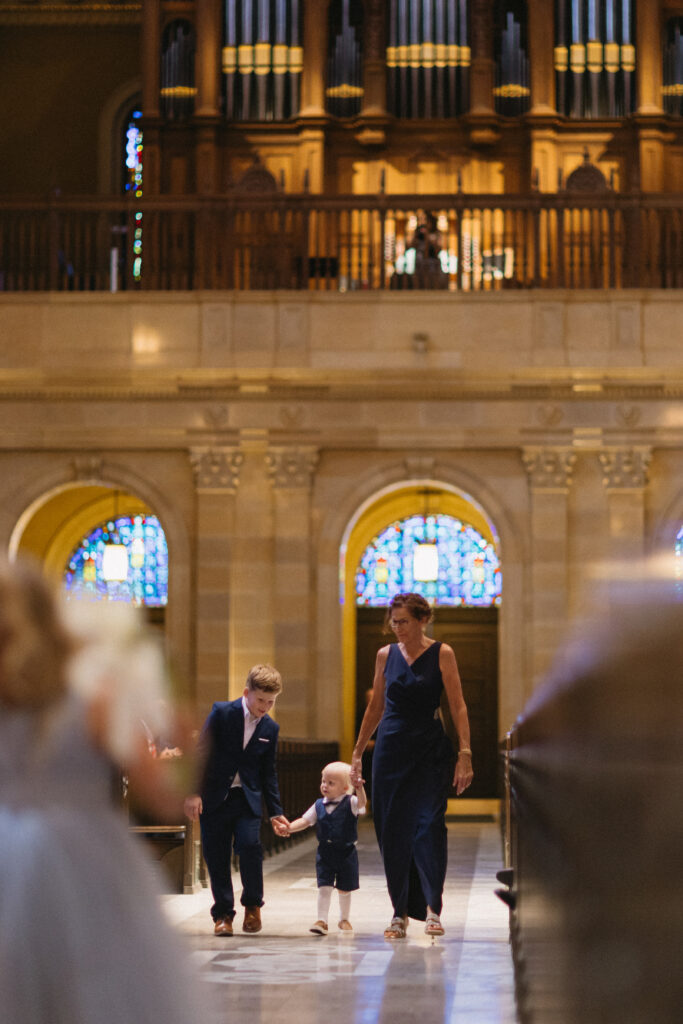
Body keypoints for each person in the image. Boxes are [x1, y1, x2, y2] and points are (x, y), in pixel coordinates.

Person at [0, 558, 208, 1024]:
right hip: (81, 858)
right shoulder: (96, 696)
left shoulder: (95, 696)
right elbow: (166, 798)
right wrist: (182, 735)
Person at [350, 592, 473, 939]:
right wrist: (357, 753)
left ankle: (433, 909)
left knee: (429, 826)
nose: (397, 628)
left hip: (430, 749)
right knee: (393, 829)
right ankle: (399, 912)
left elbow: (458, 705)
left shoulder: (442, 653)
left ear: (423, 620)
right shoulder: (384, 655)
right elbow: (375, 707)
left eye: (403, 622)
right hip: (391, 749)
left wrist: (465, 753)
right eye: (393, 623)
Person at [184, 664, 289, 936]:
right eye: (261, 700)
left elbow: (269, 773)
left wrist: (275, 811)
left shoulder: (270, 728)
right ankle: (223, 914)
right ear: (246, 693)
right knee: (216, 854)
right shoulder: (222, 713)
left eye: (271, 702)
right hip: (215, 796)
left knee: (250, 846)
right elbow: (201, 752)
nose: (265, 707)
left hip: (247, 799)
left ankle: (252, 905)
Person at [286, 760, 367, 935]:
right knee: (324, 886)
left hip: (346, 852)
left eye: (331, 783)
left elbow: (362, 805)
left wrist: (359, 788)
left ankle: (344, 919)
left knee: (345, 888)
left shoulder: (351, 801)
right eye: (323, 781)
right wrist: (289, 828)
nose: (325, 785)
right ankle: (322, 920)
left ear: (345, 788)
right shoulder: (318, 805)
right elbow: (305, 821)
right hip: (325, 852)